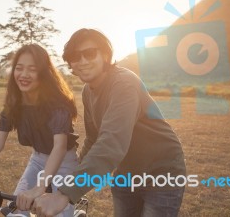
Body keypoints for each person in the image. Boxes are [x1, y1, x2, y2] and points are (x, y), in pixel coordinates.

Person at [32, 28, 186, 217]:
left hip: (161, 171)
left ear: (105, 54)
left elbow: (111, 144)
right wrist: (70, 176)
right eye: (75, 56)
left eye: (89, 53)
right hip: (126, 173)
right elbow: (93, 139)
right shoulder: (88, 91)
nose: (83, 61)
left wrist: (64, 194)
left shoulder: (123, 84)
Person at [0, 44, 79, 217]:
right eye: (19, 68)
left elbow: (59, 147)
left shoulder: (58, 105)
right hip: (38, 159)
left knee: (58, 212)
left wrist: (40, 187)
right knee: (17, 209)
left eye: (32, 69)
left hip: (65, 162)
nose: (24, 75)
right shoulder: (14, 104)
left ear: (43, 73)